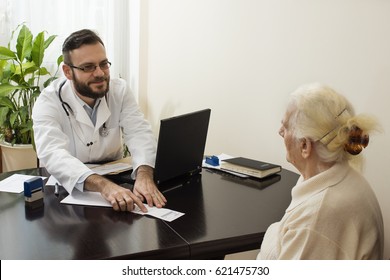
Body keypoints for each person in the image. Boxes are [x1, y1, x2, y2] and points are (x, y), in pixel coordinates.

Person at [32, 29, 166, 212]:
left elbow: (139, 132)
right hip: (67, 192)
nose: (100, 73)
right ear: (67, 71)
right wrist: (104, 186)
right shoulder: (48, 101)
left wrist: (144, 175)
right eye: (88, 67)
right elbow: (52, 153)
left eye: (104, 64)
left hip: (116, 182)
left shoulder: (119, 90)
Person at [257, 83, 384, 260]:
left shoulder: (317, 217)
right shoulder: (340, 175)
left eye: (285, 127)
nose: (280, 132)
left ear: (304, 146)